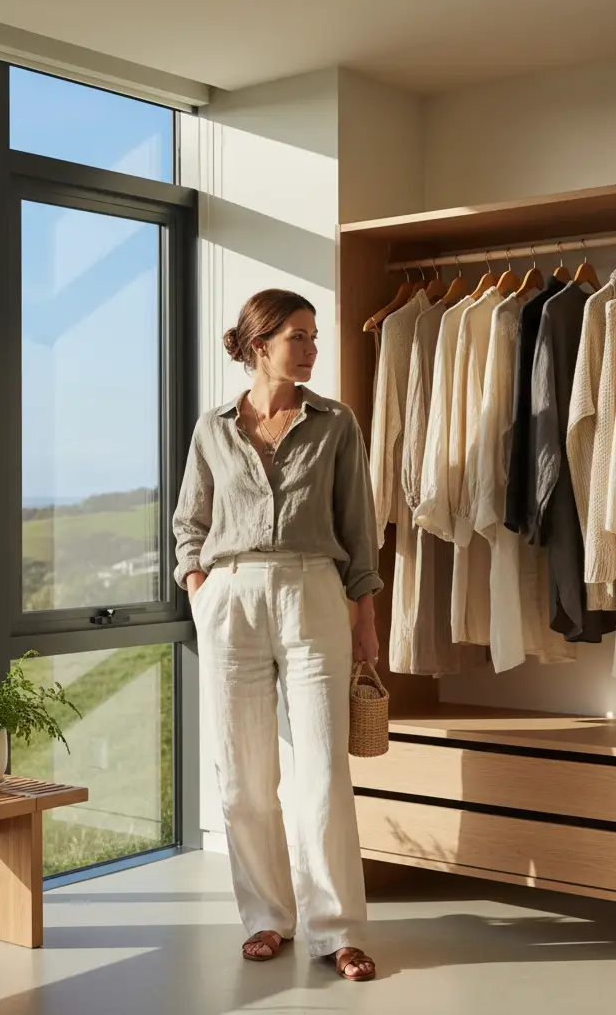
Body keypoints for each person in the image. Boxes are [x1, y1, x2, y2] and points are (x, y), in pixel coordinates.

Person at [173, 288, 382, 982]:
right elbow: (189, 526)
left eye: (315, 336)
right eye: (300, 336)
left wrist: (366, 619)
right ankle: (266, 917)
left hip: (312, 591)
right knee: (242, 774)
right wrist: (202, 590)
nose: (313, 347)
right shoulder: (213, 429)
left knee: (322, 769)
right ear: (260, 346)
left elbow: (359, 528)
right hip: (230, 596)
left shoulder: (336, 423)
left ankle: (338, 930)